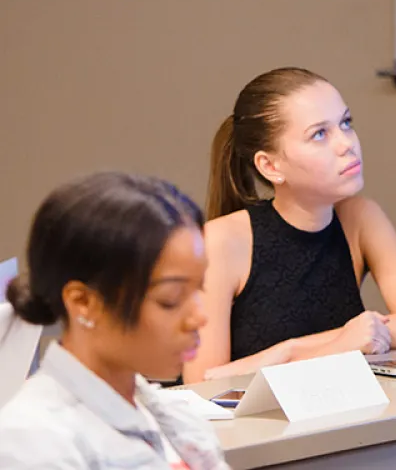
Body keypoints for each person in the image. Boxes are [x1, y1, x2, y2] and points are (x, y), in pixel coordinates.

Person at [185, 67, 396, 383]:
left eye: (346, 124)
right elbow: (201, 384)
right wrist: (326, 348)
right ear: (270, 166)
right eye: (320, 134)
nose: (346, 144)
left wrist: (299, 350)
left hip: (344, 418)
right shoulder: (221, 241)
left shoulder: (360, 217)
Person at [0, 173, 228, 469]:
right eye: (170, 299)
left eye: (199, 289)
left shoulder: (177, 418)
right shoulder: (32, 442)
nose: (199, 317)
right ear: (84, 302)